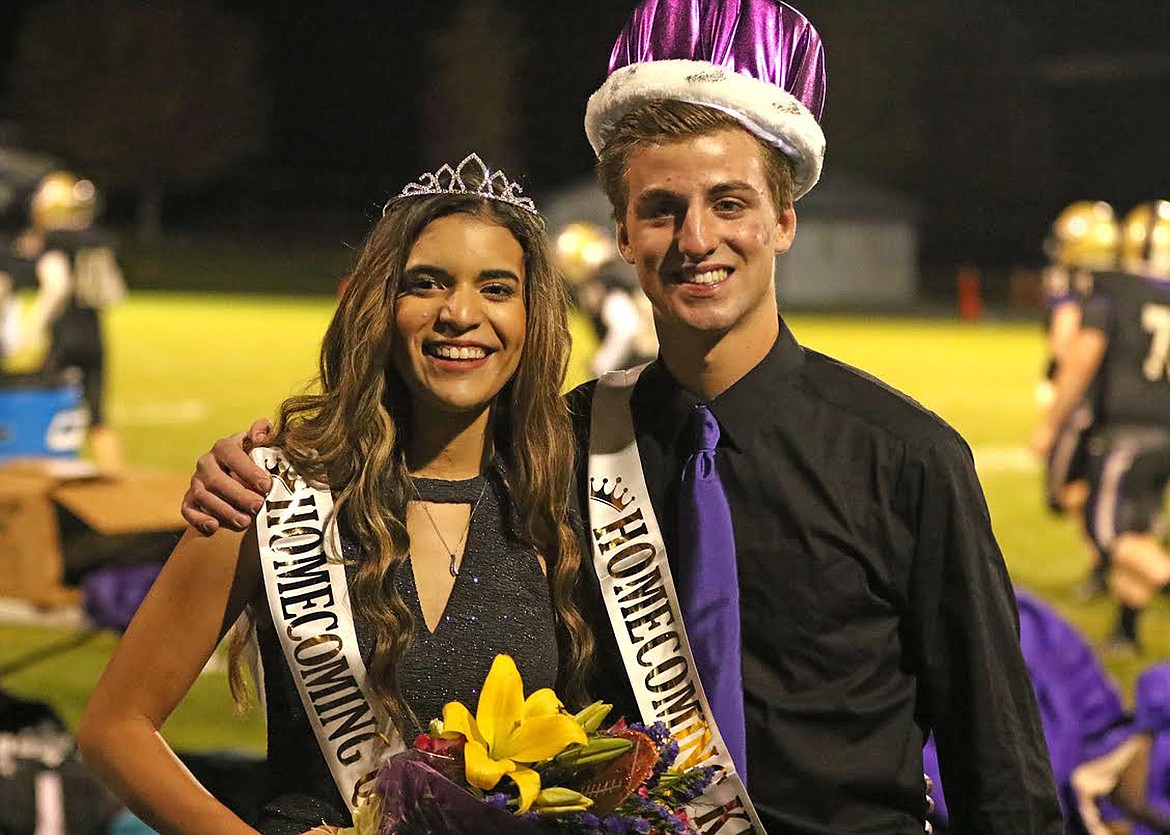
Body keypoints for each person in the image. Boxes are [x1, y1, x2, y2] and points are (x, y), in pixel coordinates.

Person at [179, 1, 1062, 831]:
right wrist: (264, 462)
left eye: (730, 202)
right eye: (661, 210)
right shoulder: (557, 443)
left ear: (784, 219)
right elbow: (405, 462)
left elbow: (1003, 767)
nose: (696, 238)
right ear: (622, 232)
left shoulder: (907, 457)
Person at [79, 153, 593, 835]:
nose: (460, 313)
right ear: (383, 305)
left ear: (532, 317)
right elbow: (115, 725)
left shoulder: (562, 506)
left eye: (496, 288)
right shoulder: (268, 490)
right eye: (427, 283)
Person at [1039, 200, 1170, 654]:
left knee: (1108, 531)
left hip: (1126, 429)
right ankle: (1127, 632)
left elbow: (1077, 358)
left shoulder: (1114, 292)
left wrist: (1052, 421)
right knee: (1139, 528)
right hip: (1164, 429)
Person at [1032, 201, 1120, 599]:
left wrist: (1056, 391)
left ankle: (1111, 559)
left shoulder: (1073, 287)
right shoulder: (1123, 283)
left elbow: (1068, 343)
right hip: (1118, 399)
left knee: (1065, 489)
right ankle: (1106, 564)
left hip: (1084, 401)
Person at [13, 170, 126, 471]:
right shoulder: (99, 238)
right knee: (98, 418)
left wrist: (32, 325)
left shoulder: (54, 239)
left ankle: (42, 489)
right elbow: (112, 292)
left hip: (65, 336)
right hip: (95, 335)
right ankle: (118, 481)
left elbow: (57, 285)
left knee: (42, 409)